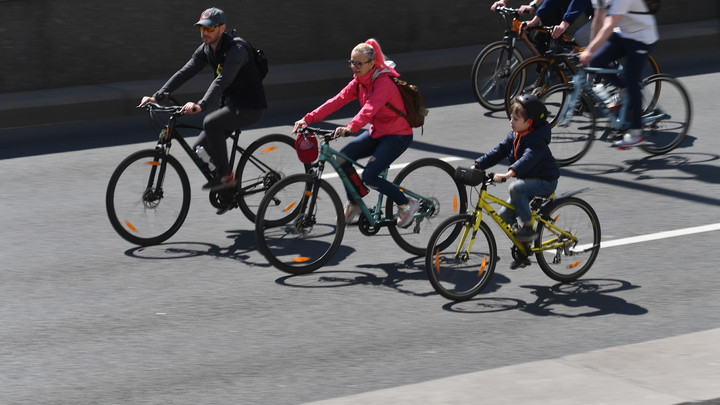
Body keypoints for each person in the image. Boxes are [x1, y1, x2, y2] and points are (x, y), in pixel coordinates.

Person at [139, 7, 267, 198]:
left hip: (250, 106)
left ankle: (227, 177)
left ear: (222, 28)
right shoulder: (207, 49)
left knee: (210, 122)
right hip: (231, 104)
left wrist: (201, 104)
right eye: (202, 29)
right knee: (199, 148)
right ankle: (227, 193)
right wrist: (157, 96)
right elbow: (185, 72)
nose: (205, 33)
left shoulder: (236, 50)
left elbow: (222, 80)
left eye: (209, 29)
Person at [292, 39, 419, 228]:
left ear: (372, 64)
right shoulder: (360, 82)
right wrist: (308, 119)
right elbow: (336, 101)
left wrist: (351, 127)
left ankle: (406, 203)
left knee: (370, 176)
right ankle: (355, 201)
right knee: (343, 158)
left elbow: (368, 110)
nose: (354, 67)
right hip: (378, 132)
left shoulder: (384, 83)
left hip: (397, 135)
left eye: (359, 63)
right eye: (352, 62)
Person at [473, 94, 559, 268]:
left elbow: (529, 159)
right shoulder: (514, 136)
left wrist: (509, 174)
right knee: (504, 214)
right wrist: (479, 165)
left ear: (529, 123)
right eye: (511, 117)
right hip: (528, 181)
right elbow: (499, 151)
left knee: (516, 187)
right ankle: (523, 248)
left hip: (545, 181)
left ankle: (527, 229)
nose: (511, 121)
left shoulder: (536, 141)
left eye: (516, 119)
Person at [579, 0, 658, 147]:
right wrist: (591, 50)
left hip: (641, 37)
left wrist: (590, 51)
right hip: (622, 34)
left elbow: (609, 24)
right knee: (596, 62)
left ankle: (636, 133)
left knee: (632, 82)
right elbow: (598, 20)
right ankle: (623, 90)